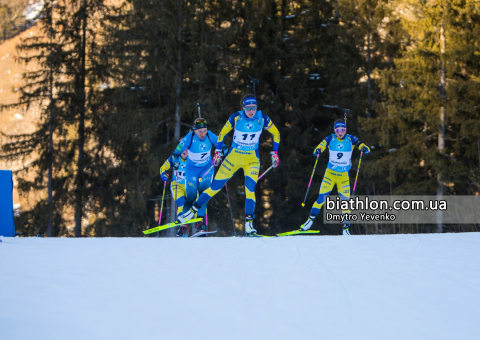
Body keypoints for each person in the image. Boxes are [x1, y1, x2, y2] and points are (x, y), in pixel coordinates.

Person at [177, 94, 281, 235]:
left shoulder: (263, 118)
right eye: (249, 108)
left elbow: (276, 133)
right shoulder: (236, 118)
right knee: (215, 187)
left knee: (250, 189)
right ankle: (191, 212)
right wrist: (218, 151)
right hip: (233, 158)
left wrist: (274, 153)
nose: (251, 111)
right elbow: (222, 134)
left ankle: (249, 225)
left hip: (252, 160)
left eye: (254, 108)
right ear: (243, 107)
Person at [298, 119, 370, 235]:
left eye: (342, 130)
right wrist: (318, 150)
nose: (340, 132)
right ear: (334, 130)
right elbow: (321, 146)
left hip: (343, 177)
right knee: (321, 198)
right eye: (337, 130)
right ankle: (309, 221)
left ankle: (346, 229)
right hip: (330, 175)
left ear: (345, 130)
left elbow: (361, 144)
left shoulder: (350, 139)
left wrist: (364, 148)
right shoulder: (330, 138)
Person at [173, 118, 227, 235]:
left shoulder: (210, 135)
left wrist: (220, 152)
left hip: (207, 168)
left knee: (204, 194)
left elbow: (223, 146)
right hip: (191, 169)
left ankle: (200, 224)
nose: (202, 134)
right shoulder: (189, 138)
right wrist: (176, 162)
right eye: (200, 131)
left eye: (204, 130)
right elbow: (176, 153)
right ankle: (183, 227)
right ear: (194, 130)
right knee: (191, 196)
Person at [159, 150, 189, 237]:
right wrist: (163, 174)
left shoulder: (193, 158)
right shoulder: (174, 157)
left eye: (187, 148)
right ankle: (182, 229)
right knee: (181, 203)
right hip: (177, 185)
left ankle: (199, 225)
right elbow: (163, 168)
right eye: (183, 148)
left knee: (196, 203)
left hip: (190, 185)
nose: (184, 151)